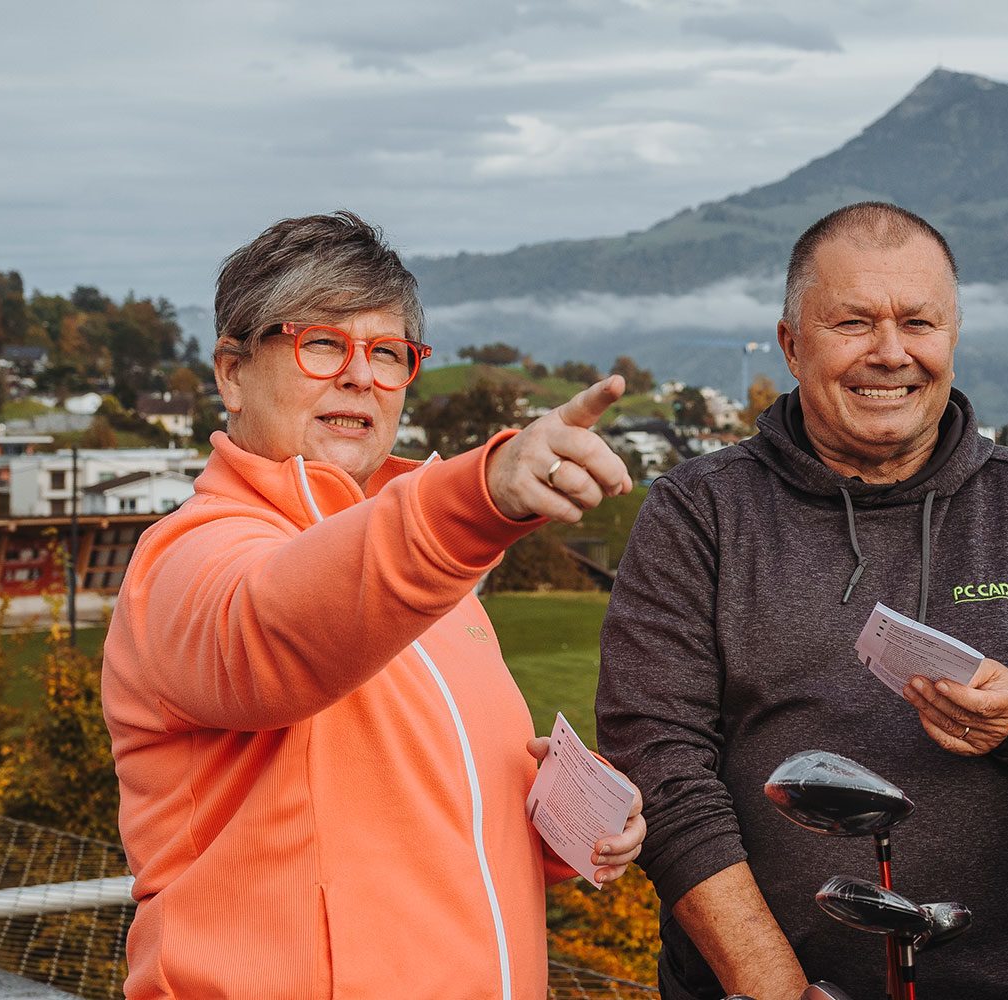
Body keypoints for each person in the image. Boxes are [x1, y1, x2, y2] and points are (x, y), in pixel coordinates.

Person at [101, 212, 648, 999]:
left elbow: (425, 817)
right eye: (322, 343)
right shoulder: (186, 559)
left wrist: (571, 820)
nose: (360, 376)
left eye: (388, 353)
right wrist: (478, 498)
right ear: (232, 372)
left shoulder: (436, 579)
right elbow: (279, 628)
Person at [599, 202, 1008, 999]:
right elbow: (659, 763)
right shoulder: (699, 511)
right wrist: (772, 985)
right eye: (853, 323)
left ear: (953, 336)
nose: (890, 352)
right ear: (791, 345)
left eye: (918, 322)